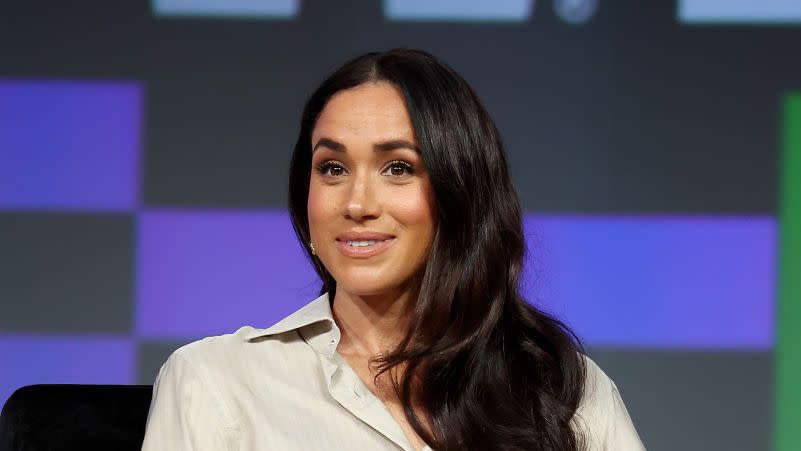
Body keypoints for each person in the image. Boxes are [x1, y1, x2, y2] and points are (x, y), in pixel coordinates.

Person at [141, 48, 645, 451]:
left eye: (398, 168)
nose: (357, 203)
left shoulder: (559, 388)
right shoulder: (216, 383)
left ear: (460, 193)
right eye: (332, 169)